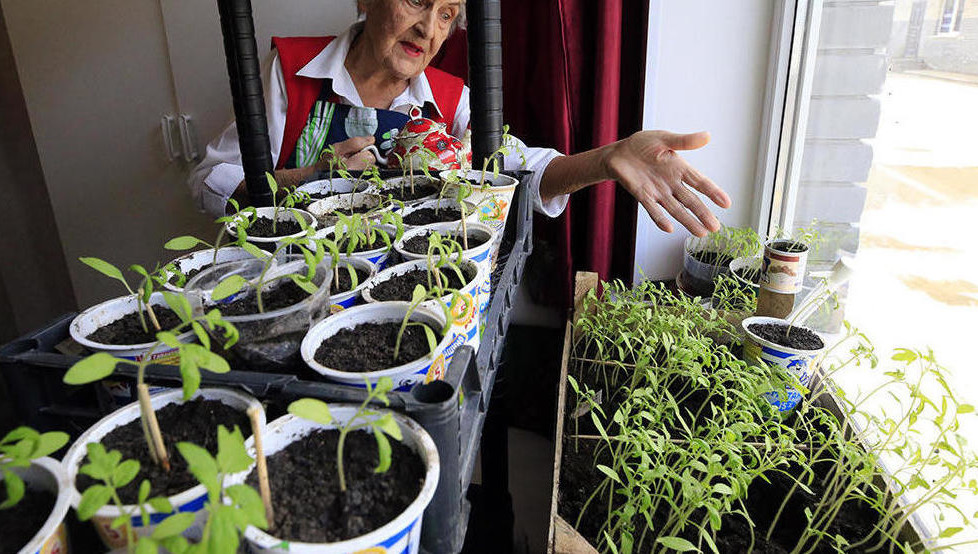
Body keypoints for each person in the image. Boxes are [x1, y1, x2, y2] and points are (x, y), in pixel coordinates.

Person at [189, 0, 731, 237]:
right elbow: (211, 182)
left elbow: (524, 166)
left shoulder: (450, 99)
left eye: (446, 14)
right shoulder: (291, 69)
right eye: (417, 0)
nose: (428, 30)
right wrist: (310, 181)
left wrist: (609, 157)